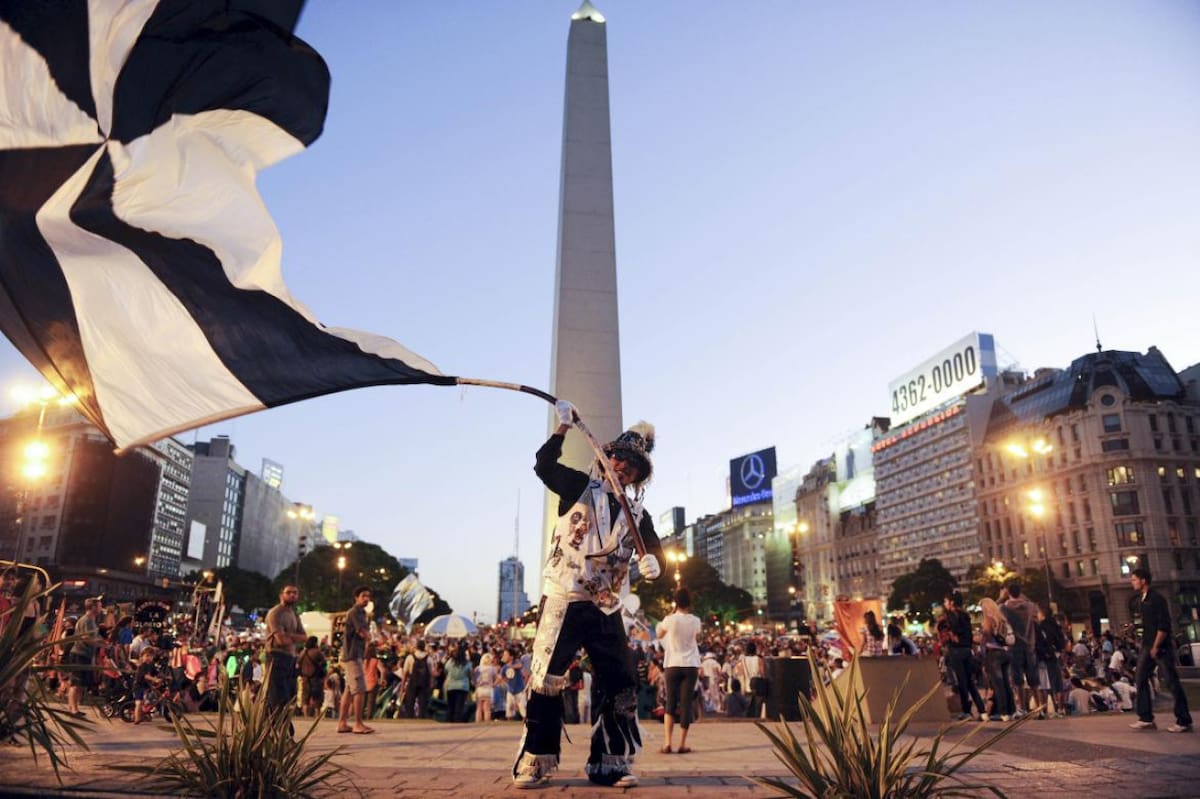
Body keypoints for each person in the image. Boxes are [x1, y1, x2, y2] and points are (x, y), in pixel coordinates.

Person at [511, 400, 665, 789]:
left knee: (621, 681)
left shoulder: (639, 514)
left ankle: (610, 763)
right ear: (606, 457)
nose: (623, 467)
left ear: (637, 476)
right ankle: (535, 760)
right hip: (566, 597)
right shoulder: (579, 486)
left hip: (606, 606)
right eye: (618, 459)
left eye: (632, 465)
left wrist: (655, 567)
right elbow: (543, 467)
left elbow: (655, 554)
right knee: (547, 678)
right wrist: (562, 428)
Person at [1128, 568, 1192, 733]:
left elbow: (1163, 625)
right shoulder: (1141, 600)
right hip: (1147, 645)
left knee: (1171, 681)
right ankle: (1146, 718)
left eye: (1134, 579)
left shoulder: (1156, 599)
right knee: (1140, 678)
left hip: (1160, 647)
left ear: (1143, 581)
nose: (1132, 582)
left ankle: (1183, 720)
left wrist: (1156, 646)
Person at [656, 587, 701, 754]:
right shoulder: (695, 620)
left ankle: (667, 743)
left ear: (676, 602)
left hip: (673, 663)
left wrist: (669, 616)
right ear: (689, 603)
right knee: (686, 704)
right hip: (690, 664)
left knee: (670, 703)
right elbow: (697, 637)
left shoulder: (669, 619)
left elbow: (659, 634)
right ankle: (682, 744)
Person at [999, 581, 1043, 718]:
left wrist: (1001, 596)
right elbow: (1035, 612)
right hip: (1030, 646)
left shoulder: (1004, 608)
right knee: (1034, 681)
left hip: (1014, 647)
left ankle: (1022, 709)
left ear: (1008, 593)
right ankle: (1039, 709)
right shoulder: (1030, 606)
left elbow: (992, 609)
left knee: (1017, 680)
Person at [336, 586, 374, 734]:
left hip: (354, 654)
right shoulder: (355, 612)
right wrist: (370, 637)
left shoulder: (363, 613)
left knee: (349, 690)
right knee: (359, 689)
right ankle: (358, 723)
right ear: (356, 597)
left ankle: (342, 723)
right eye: (363, 596)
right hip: (352, 655)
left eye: (368, 596)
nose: (366, 599)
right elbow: (361, 632)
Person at [264, 585, 306, 718]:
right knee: (277, 697)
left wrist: (289, 635)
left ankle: (279, 729)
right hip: (276, 656)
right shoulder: (276, 613)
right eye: (289, 592)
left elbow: (305, 637)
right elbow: (281, 641)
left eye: (295, 593)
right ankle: (279, 730)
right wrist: (294, 637)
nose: (292, 595)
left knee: (288, 696)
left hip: (290, 658)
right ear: (282, 595)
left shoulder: (294, 614)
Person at [942, 592, 985, 721]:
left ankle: (966, 711)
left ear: (952, 603)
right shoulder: (966, 616)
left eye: (946, 601)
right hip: (967, 650)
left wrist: (951, 634)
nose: (945, 604)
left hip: (957, 651)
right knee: (970, 682)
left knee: (962, 682)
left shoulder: (951, 615)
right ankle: (982, 710)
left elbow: (953, 631)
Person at [66, 597, 101, 716]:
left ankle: (74, 707)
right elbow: (85, 638)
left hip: (86, 654)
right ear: (93, 607)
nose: (101, 608)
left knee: (81, 683)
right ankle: (73, 709)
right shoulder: (86, 620)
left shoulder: (92, 620)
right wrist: (99, 644)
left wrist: (102, 642)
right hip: (79, 654)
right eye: (99, 606)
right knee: (76, 682)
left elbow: (94, 636)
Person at [400, 639, 433, 718]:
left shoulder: (410, 657)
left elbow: (405, 673)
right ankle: (421, 718)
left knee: (410, 702)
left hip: (412, 682)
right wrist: (431, 684)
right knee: (422, 704)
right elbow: (431, 673)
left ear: (416, 647)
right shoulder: (429, 658)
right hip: (424, 683)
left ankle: (410, 718)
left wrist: (402, 686)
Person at [442, 641, 472, 722]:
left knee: (451, 707)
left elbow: (445, 671)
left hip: (451, 686)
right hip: (463, 687)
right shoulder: (467, 664)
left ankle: (449, 722)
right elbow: (470, 675)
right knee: (459, 707)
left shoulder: (450, 662)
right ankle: (457, 722)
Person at [297, 636, 327, 718]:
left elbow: (298, 664)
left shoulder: (302, 653)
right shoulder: (317, 652)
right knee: (317, 697)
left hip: (305, 678)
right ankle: (317, 715)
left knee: (305, 697)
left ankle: (305, 715)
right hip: (316, 678)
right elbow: (324, 663)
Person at [474, 651, 498, 722]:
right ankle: (486, 723)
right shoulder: (492, 668)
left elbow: (474, 679)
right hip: (488, 689)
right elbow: (497, 678)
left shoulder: (477, 668)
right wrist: (494, 684)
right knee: (487, 709)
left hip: (479, 689)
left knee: (479, 708)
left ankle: (478, 722)